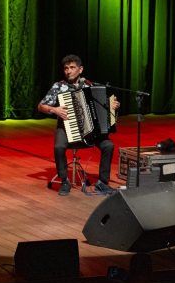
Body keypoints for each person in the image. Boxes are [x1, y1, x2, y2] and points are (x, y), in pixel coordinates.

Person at [38, 54, 120, 196]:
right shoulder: (59, 87)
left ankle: (102, 183)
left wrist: (112, 105)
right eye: (66, 68)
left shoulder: (90, 85)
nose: (68, 71)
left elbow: (102, 105)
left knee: (108, 145)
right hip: (66, 126)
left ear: (80, 69)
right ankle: (64, 181)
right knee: (58, 147)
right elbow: (41, 106)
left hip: (90, 130)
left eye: (72, 67)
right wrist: (54, 109)